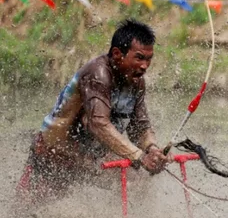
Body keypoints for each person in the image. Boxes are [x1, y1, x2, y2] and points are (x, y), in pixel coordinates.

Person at [16, 18, 170, 203]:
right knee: (30, 213)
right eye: (139, 57)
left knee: (136, 183)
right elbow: (98, 124)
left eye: (148, 59)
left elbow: (140, 127)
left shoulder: (136, 81)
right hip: (53, 156)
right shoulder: (98, 74)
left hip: (88, 158)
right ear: (117, 53)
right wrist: (138, 156)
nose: (145, 66)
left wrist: (152, 149)